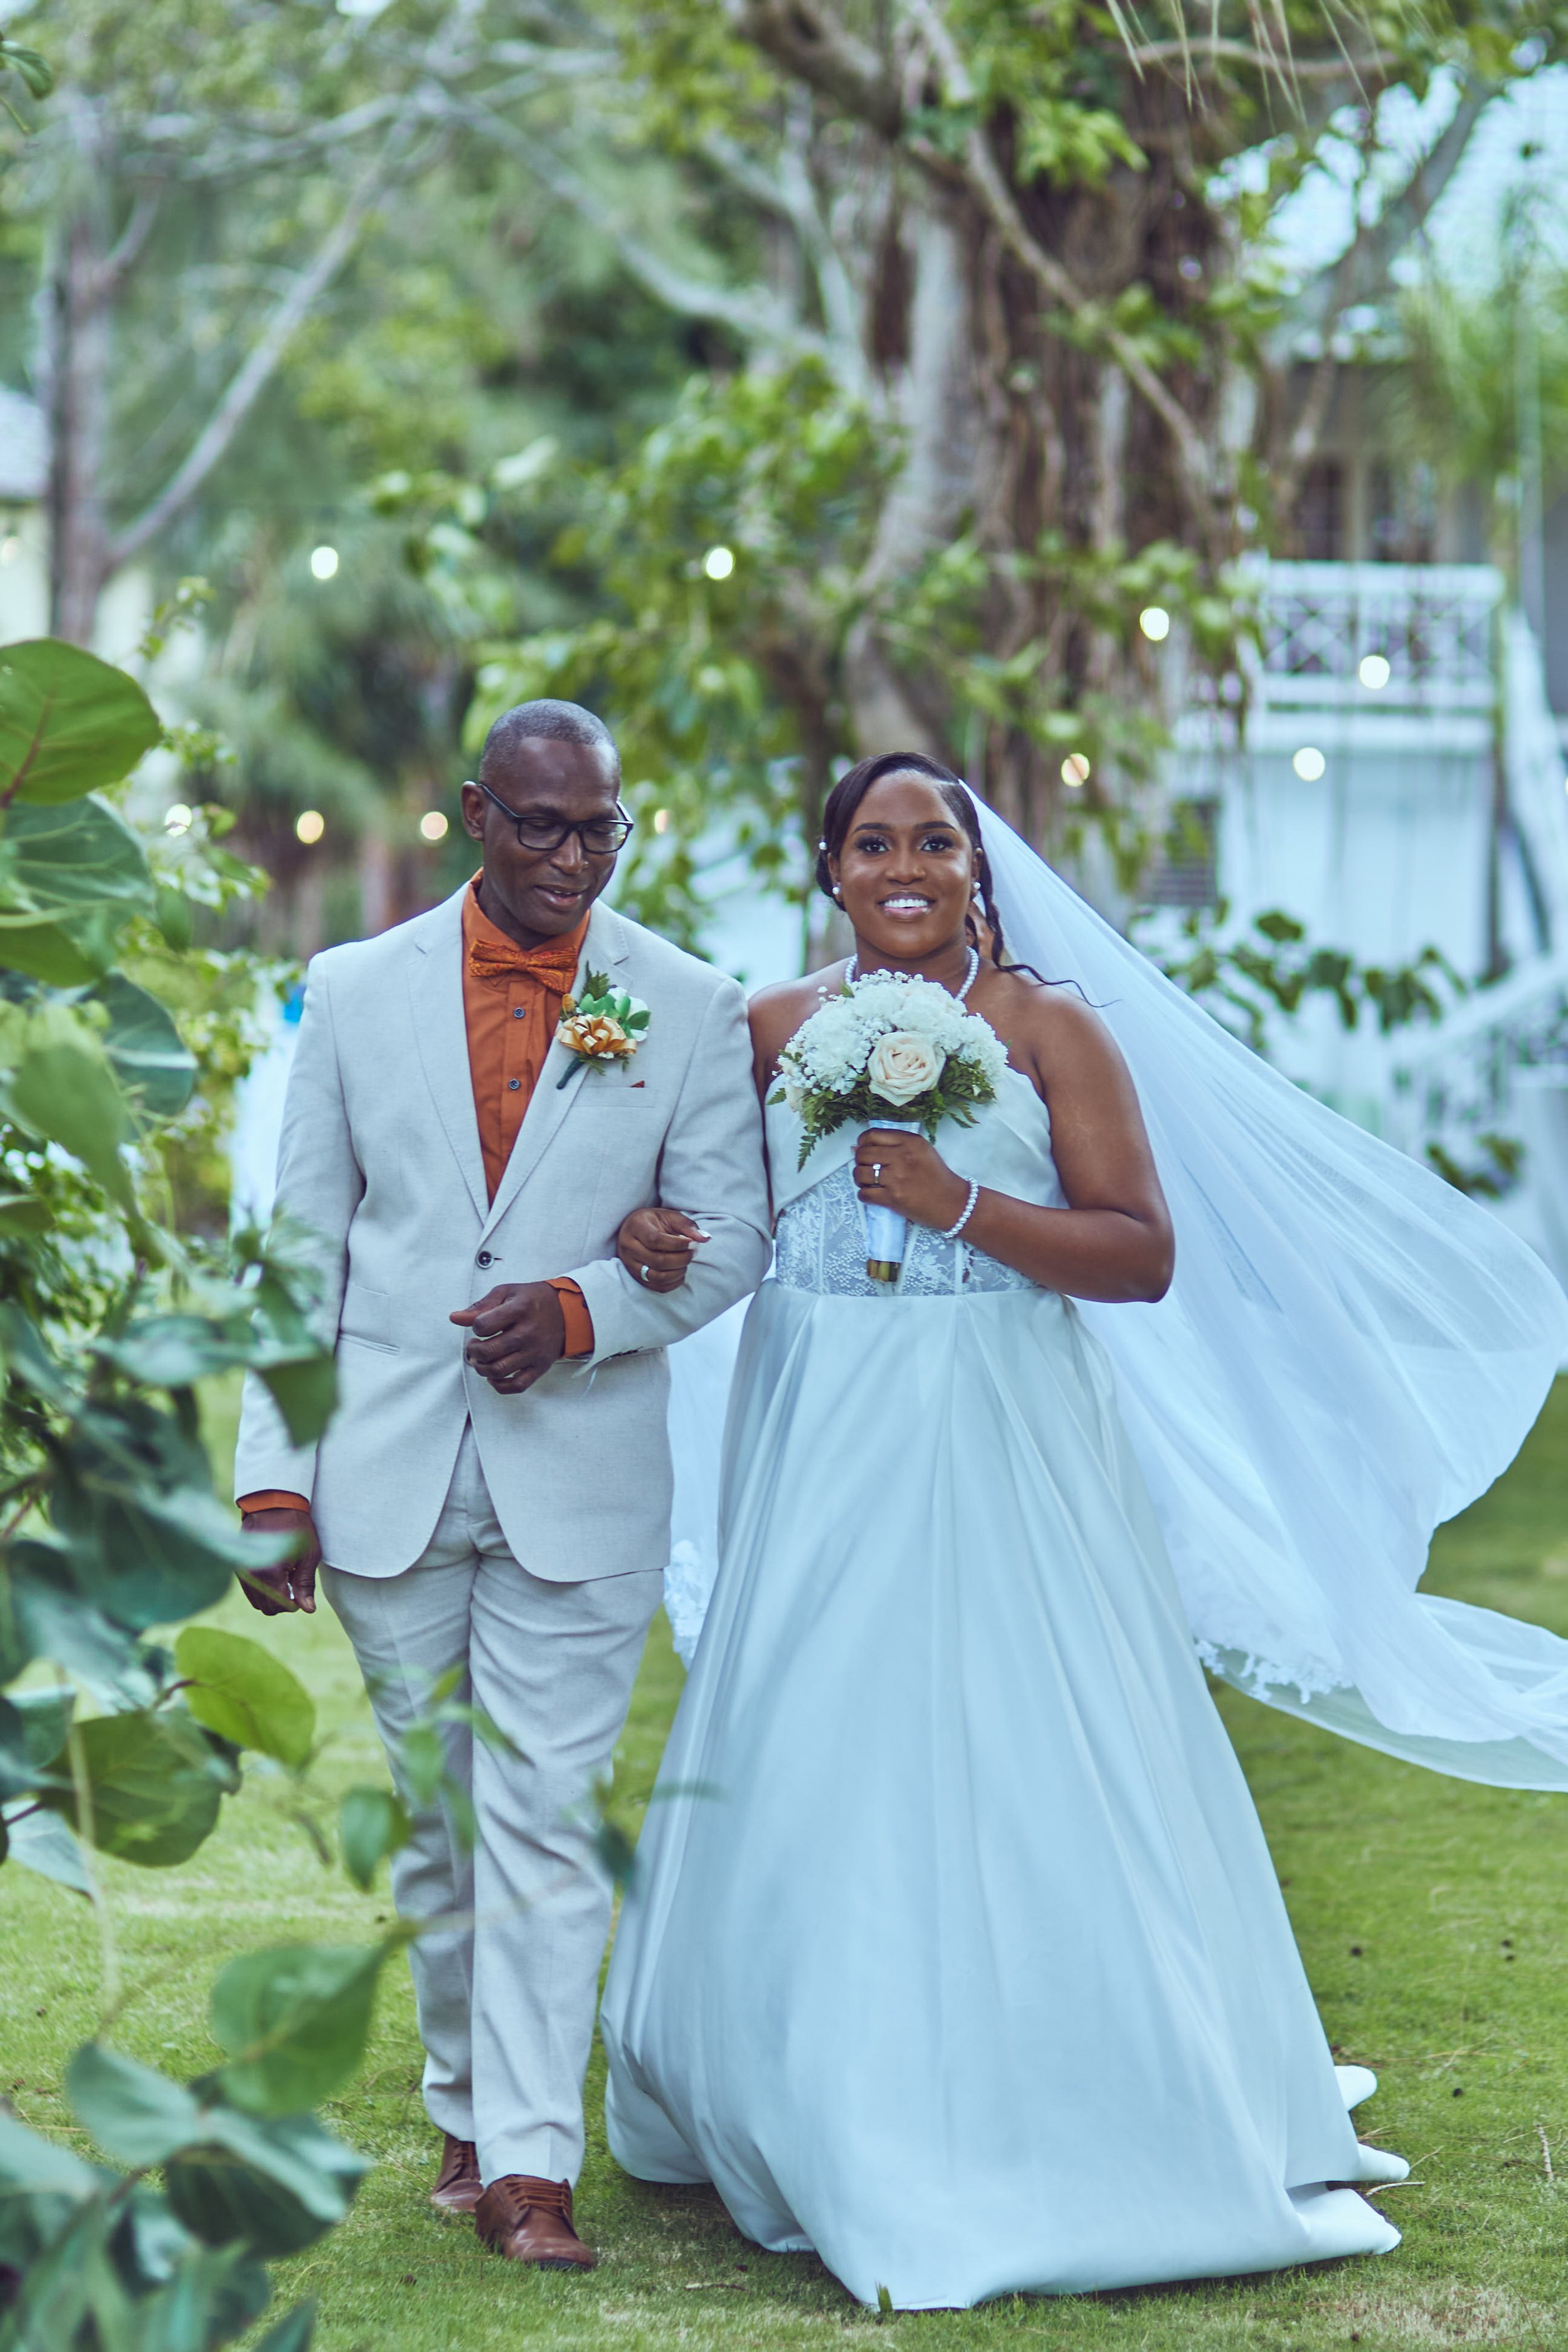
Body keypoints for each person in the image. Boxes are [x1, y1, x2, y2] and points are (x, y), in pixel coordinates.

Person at [598, 751, 1414, 2311]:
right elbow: (713, 1221)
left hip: (1002, 1423)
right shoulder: (765, 1027)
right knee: (814, 1735)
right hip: (821, 1419)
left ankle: (1057, 2084)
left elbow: (1138, 1254)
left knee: (1027, 1728)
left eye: (936, 841)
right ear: (827, 869)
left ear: (979, 866)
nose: (906, 865)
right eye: (872, 842)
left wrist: (956, 1204)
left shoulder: (1050, 1029)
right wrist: (653, 1229)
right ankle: (798, 2083)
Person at [233, 699, 770, 2273]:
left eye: (599, 827)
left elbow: (728, 1239)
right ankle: (465, 2105)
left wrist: (590, 1308)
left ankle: (533, 2164)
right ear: (475, 812)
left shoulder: (684, 1000)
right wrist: (273, 1482)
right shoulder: (348, 990)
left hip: (581, 1481)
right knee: (437, 1819)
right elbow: (297, 1257)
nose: (570, 857)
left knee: (540, 1815)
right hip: (385, 1472)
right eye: (538, 825)